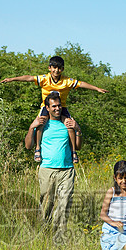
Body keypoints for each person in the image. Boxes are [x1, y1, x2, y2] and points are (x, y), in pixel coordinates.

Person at [2, 55, 107, 163]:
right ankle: (37, 148)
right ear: (49, 68)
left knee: (69, 125)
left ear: (63, 69)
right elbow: (28, 78)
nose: (57, 70)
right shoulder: (44, 79)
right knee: (40, 124)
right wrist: (12, 79)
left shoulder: (66, 81)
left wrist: (97, 88)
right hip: (46, 107)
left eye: (59, 68)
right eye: (54, 67)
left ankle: (73, 152)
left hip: (62, 107)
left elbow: (81, 84)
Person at [25, 91, 82, 242]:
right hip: (47, 169)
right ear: (48, 108)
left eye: (59, 106)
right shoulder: (42, 124)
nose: (57, 108)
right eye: (54, 106)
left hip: (67, 170)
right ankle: (43, 233)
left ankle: (58, 237)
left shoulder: (67, 123)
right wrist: (32, 127)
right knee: (46, 204)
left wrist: (78, 130)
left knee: (64, 204)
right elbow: (27, 145)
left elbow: (78, 145)